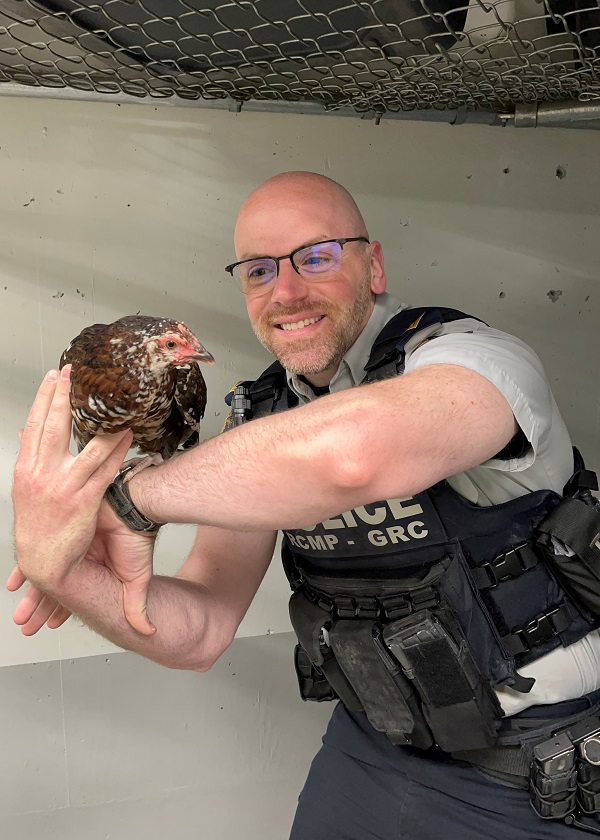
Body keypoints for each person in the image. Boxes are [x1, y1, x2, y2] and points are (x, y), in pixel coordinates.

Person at [9, 171, 600, 839]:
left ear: (372, 264)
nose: (285, 290)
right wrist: (63, 569)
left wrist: (130, 501)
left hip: (533, 776)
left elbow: (352, 456)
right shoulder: (261, 418)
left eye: (315, 256)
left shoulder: (474, 360)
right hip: (368, 754)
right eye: (258, 270)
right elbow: (197, 632)